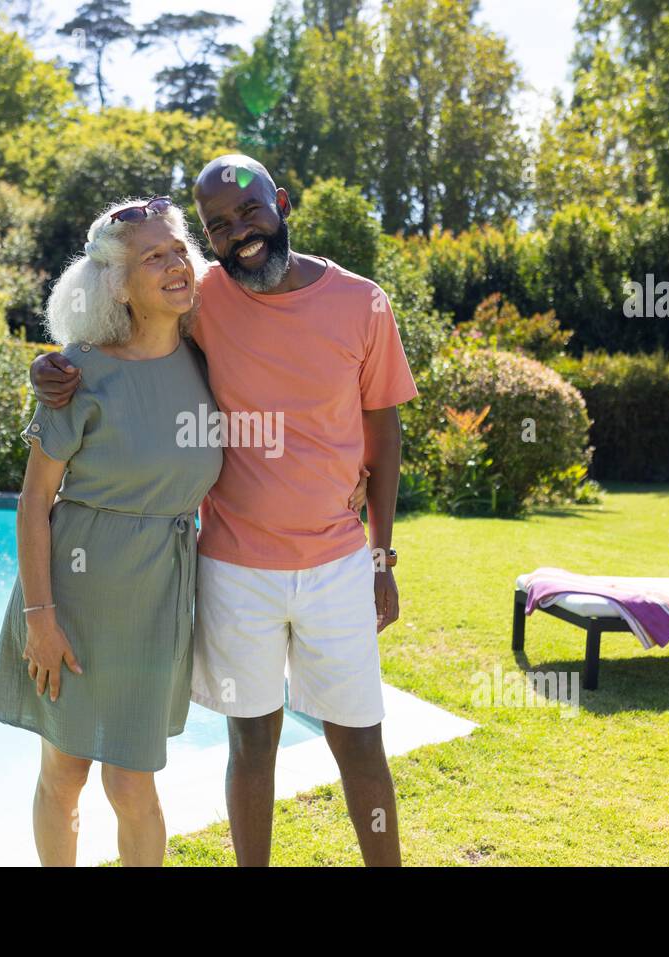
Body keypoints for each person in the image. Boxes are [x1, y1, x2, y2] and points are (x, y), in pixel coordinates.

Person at [31, 155, 420, 866]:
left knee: (361, 740)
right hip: (235, 569)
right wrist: (53, 361)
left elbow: (384, 429)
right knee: (252, 743)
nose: (239, 233)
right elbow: (123, 322)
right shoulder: (201, 295)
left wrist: (382, 554)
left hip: (338, 560)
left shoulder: (363, 301)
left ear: (284, 202)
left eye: (250, 213)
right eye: (218, 225)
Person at [0, 197, 222, 866]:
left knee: (132, 779)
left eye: (180, 249)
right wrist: (40, 619)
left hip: (158, 598)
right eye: (155, 256)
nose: (176, 263)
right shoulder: (77, 373)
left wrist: (351, 470)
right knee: (64, 771)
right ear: (117, 281)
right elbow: (36, 501)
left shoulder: (211, 359)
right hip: (71, 599)